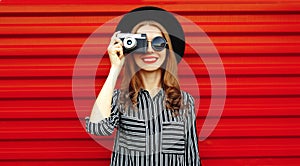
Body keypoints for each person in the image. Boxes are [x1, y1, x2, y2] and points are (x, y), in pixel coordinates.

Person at [85, 6, 201, 166]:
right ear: (131, 49)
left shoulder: (185, 101)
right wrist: (115, 68)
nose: (149, 50)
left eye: (158, 43)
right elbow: (97, 128)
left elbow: (192, 158)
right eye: (141, 43)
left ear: (168, 50)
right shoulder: (120, 99)